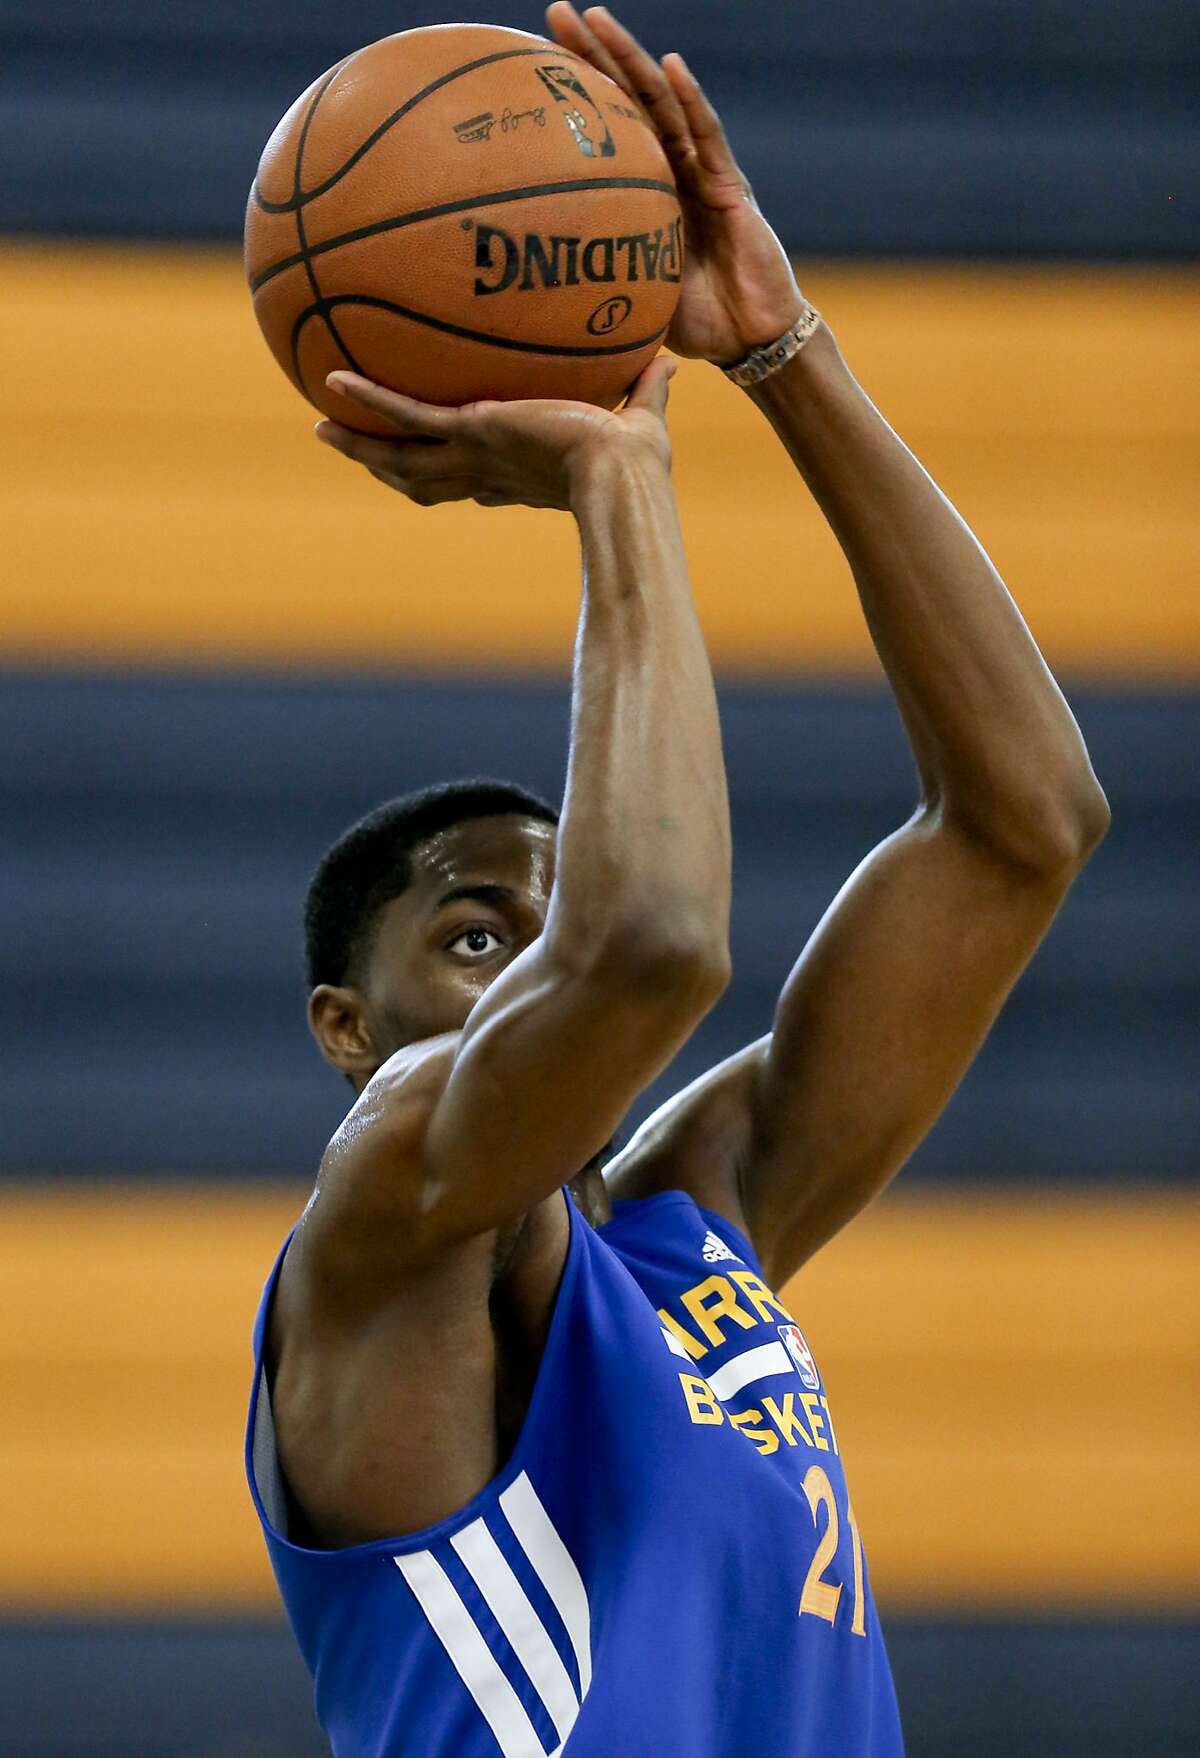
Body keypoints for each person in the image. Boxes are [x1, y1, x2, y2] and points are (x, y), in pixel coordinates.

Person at [245, 8, 1110, 1755]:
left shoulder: (691, 1229)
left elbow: (1027, 823)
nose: (534, 952)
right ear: (352, 1028)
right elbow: (645, 945)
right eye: (478, 929)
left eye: (548, 908)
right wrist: (616, 480)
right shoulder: (377, 1232)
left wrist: (786, 351)